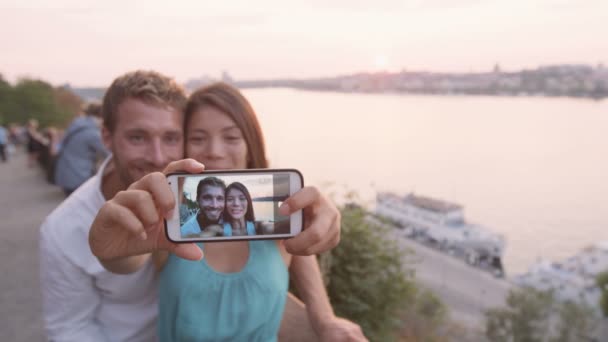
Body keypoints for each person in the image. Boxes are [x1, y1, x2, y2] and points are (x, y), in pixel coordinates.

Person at [40, 71, 357, 341]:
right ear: (106, 138)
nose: (158, 156)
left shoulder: (259, 206)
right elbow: (132, 253)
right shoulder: (171, 212)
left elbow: (295, 242)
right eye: (138, 138)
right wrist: (110, 249)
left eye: (171, 138)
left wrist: (324, 316)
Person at [54, 102, 109, 195]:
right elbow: (109, 152)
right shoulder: (92, 132)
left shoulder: (76, 125)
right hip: (79, 176)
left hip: (65, 174)